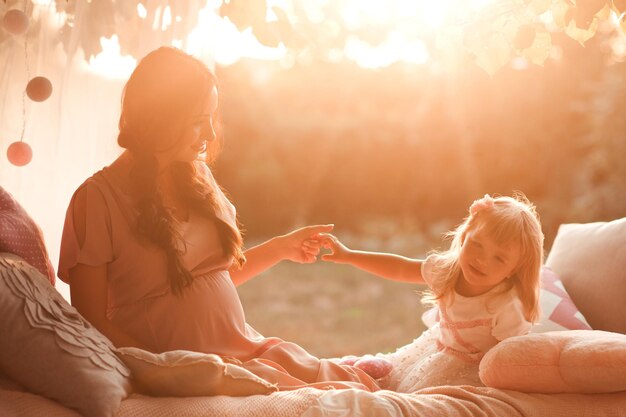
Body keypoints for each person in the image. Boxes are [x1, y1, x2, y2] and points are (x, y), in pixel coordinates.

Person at [58, 46, 379, 391]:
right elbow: (90, 319)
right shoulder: (97, 201)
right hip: (193, 369)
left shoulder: (195, 178)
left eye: (212, 118)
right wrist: (168, 366)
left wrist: (280, 247)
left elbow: (206, 277)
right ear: (159, 118)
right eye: (198, 122)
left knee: (363, 391)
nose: (210, 134)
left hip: (247, 352)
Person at [320, 193, 544, 391]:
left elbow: (510, 357)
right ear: (465, 236)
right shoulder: (447, 270)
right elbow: (399, 268)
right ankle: (362, 374)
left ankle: (374, 387)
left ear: (513, 269)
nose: (482, 260)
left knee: (412, 395)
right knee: (394, 371)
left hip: (473, 369)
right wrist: (349, 255)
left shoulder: (507, 306)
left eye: (499, 258)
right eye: (477, 244)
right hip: (436, 346)